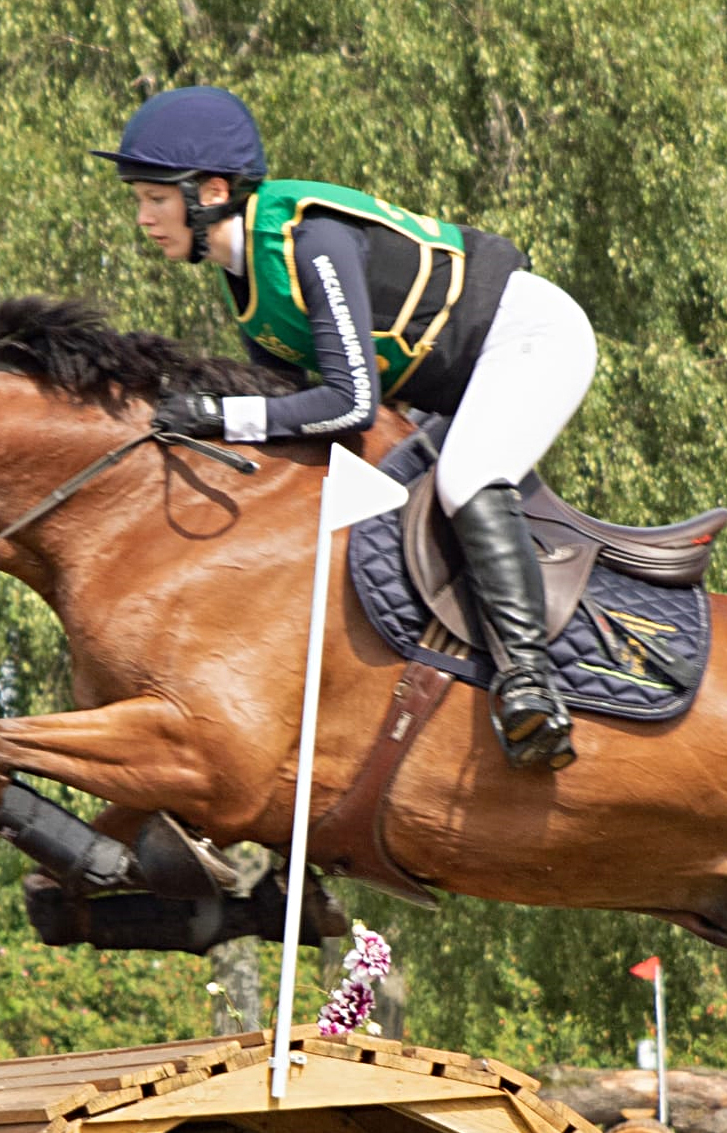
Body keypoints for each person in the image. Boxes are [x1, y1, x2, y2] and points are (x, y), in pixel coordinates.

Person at [93, 86, 597, 771]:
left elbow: (349, 404)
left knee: (468, 477)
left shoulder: (309, 241)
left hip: (528, 338)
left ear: (210, 190)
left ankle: (530, 682)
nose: (143, 218)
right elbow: (294, 412)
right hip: (450, 384)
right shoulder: (242, 280)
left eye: (154, 198)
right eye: (140, 200)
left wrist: (219, 415)